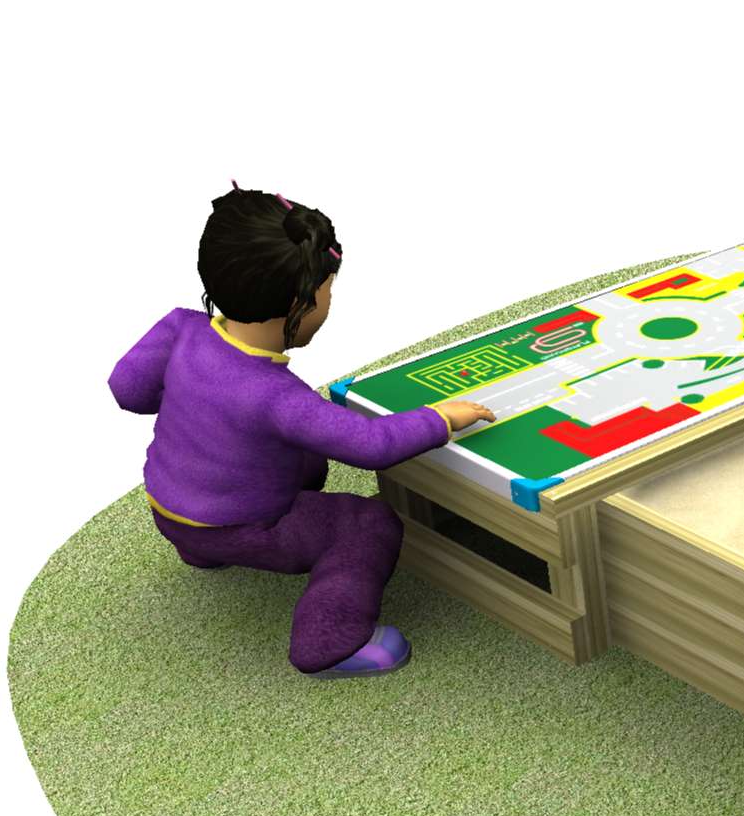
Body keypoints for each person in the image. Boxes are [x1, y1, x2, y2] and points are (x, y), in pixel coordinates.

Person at [108, 185, 493, 676]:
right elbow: (371, 445)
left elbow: (128, 390)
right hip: (242, 527)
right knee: (367, 524)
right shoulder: (276, 397)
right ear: (301, 302)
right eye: (327, 292)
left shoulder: (180, 327)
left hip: (167, 509)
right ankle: (329, 642)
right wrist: (441, 419)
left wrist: (198, 406)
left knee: (301, 461)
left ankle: (200, 552)